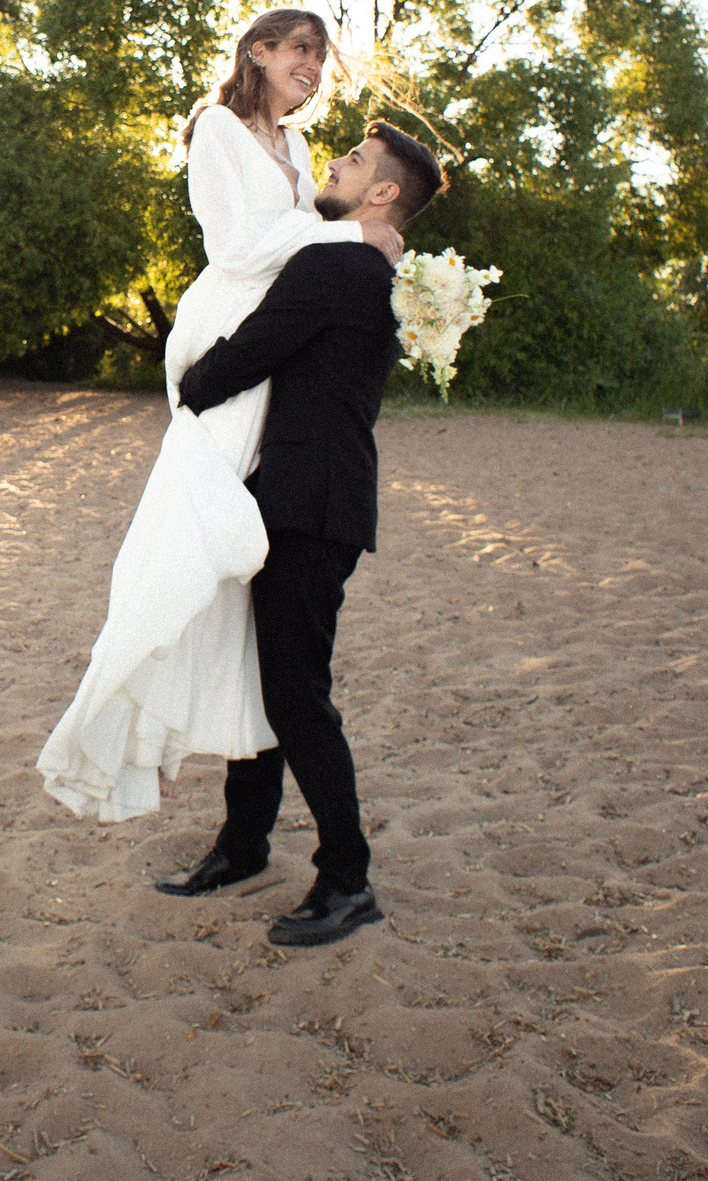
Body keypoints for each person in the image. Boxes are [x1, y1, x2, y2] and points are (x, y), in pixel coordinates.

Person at [37, 12, 403, 822]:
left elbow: (312, 239)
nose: (314, 65)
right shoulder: (217, 129)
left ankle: (233, 816)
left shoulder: (303, 151)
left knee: (245, 603)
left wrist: (347, 241)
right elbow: (240, 251)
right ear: (259, 52)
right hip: (229, 318)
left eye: (321, 55)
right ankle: (142, 696)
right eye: (299, 49)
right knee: (187, 534)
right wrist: (355, 238)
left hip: (281, 335)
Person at [153, 120, 443, 947]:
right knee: (265, 674)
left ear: (382, 193)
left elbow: (246, 355)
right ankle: (244, 845)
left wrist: (189, 381)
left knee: (295, 692)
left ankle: (347, 878)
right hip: (307, 497)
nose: (336, 166)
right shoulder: (360, 265)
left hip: (310, 505)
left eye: (353, 162)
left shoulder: (334, 262)